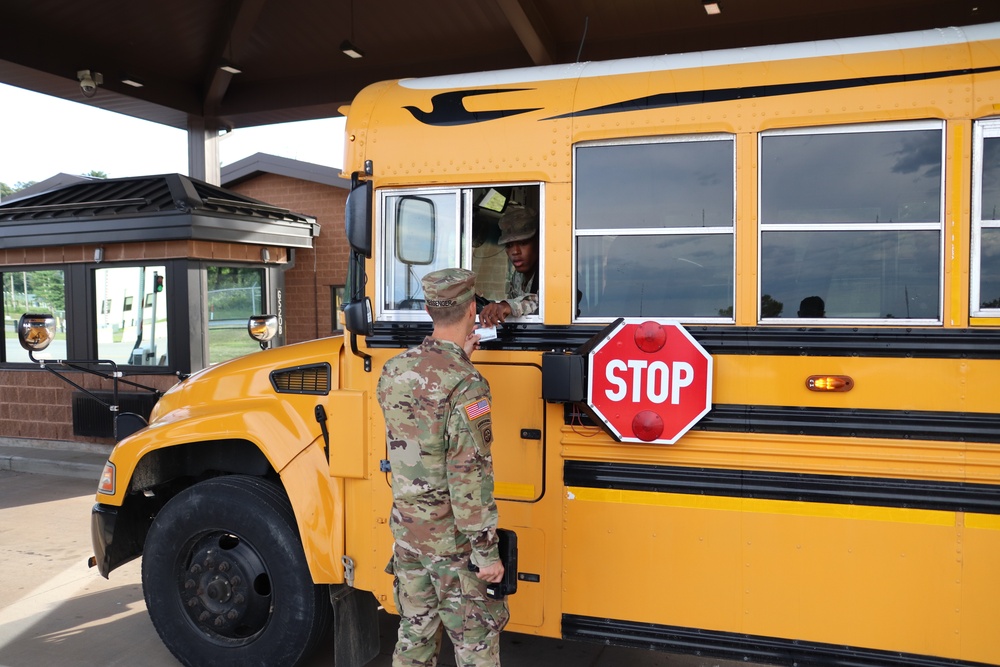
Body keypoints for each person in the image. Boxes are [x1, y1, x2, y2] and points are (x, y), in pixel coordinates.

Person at [377, 267, 509, 667]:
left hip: (409, 534)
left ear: (431, 311)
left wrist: (458, 358)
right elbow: (469, 477)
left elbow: (419, 432)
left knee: (414, 635)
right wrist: (487, 554)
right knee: (474, 644)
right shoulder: (467, 385)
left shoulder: (394, 370)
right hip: (452, 544)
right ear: (472, 309)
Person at [478, 206, 539, 327]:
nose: (515, 251)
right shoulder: (518, 276)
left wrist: (507, 306)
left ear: (538, 243)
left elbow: (540, 302)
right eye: (509, 245)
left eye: (523, 243)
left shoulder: (553, 273)